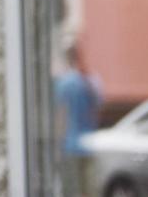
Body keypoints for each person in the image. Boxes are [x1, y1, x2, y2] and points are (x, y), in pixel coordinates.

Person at [54, 43, 100, 195]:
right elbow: (97, 110)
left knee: (72, 189)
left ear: (67, 59)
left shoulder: (64, 83)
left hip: (70, 144)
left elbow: (62, 116)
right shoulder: (90, 81)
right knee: (88, 189)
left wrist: (57, 142)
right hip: (88, 143)